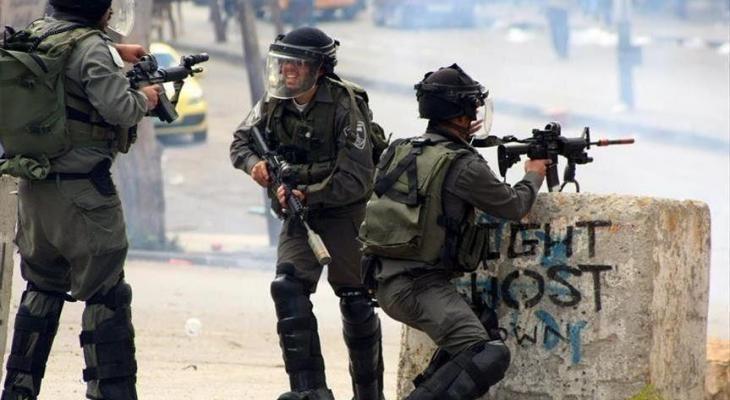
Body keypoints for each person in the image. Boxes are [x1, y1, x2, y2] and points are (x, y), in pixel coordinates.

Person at [1, 1, 161, 399]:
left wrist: (115, 51)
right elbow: (120, 109)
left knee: (41, 289)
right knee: (106, 294)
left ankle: (19, 389)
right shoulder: (92, 49)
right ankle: (111, 391)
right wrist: (146, 98)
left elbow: (65, 60)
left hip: (36, 191)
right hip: (84, 195)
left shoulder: (39, 32)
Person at [359, 64, 549, 400]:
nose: (475, 114)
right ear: (461, 115)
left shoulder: (401, 148)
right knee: (487, 354)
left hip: (383, 278)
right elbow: (514, 205)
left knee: (478, 327)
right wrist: (534, 173)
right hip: (419, 286)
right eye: (471, 108)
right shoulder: (463, 163)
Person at [230, 27, 384, 400]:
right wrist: (255, 166)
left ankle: (368, 394)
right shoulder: (273, 102)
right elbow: (240, 142)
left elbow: (356, 179)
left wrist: (307, 194)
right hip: (298, 212)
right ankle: (309, 391)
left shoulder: (346, 105)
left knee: (356, 299)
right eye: (284, 63)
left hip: (344, 212)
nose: (287, 71)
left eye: (297, 64)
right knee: (287, 288)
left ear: (319, 69)